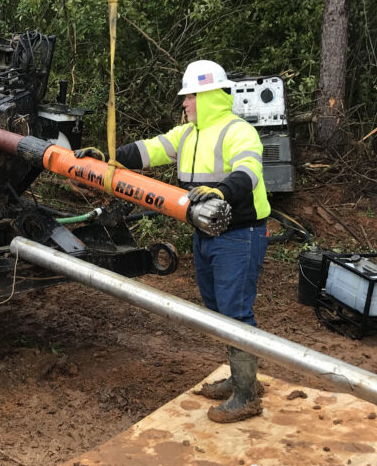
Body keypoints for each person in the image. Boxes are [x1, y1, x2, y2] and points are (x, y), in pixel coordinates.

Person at [86, 60, 270, 423]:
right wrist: (106, 156)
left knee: (235, 313)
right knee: (218, 309)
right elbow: (150, 149)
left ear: (207, 95)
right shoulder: (188, 133)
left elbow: (249, 171)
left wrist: (219, 191)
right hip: (207, 231)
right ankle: (240, 378)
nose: (184, 103)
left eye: (189, 96)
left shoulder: (238, 130)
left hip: (240, 234)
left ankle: (247, 395)